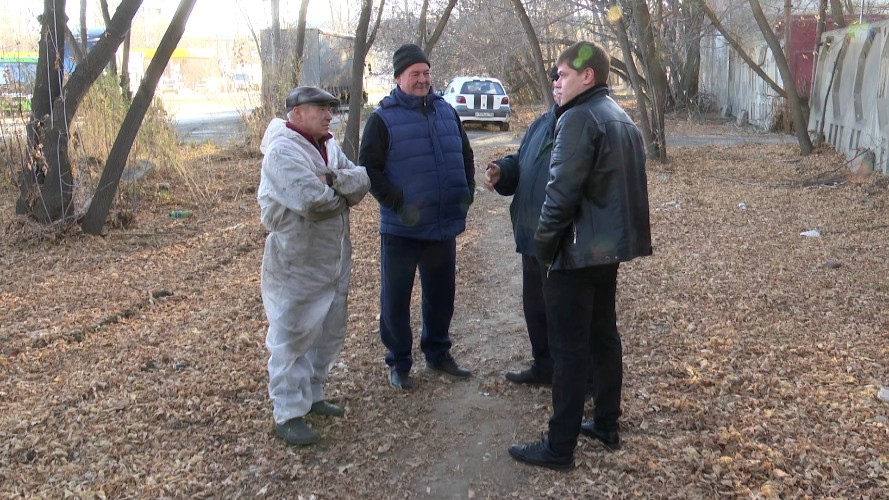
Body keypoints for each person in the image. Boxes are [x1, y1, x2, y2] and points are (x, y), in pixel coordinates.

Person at [508, 41, 652, 471]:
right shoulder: (620, 117)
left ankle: (559, 446)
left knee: (570, 350)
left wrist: (544, 247)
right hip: (604, 253)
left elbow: (561, 195)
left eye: (562, 74)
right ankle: (606, 424)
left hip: (573, 255)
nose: (556, 81)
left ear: (587, 77)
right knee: (603, 337)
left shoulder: (578, 118)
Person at [358, 43, 476, 390]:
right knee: (395, 300)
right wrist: (398, 203)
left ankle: (438, 354)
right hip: (402, 230)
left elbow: (465, 153)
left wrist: (466, 191)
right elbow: (370, 169)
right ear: (398, 78)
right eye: (415, 74)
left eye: (426, 73)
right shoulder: (381, 119)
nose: (423, 79)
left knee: (441, 296)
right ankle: (399, 362)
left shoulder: (446, 111)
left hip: (441, 227)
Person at [258, 86, 371, 446]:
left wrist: (334, 181)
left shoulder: (329, 146)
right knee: (292, 334)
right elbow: (312, 202)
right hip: (296, 262)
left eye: (330, 108)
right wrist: (341, 191)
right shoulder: (281, 152)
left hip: (334, 259)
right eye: (320, 108)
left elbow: (362, 180)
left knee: (327, 330)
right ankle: (288, 413)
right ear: (296, 114)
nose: (328, 115)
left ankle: (313, 395)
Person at [483, 67, 561, 386]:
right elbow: (523, 160)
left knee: (566, 314)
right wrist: (504, 170)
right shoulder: (542, 123)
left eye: (564, 76)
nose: (557, 82)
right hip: (531, 236)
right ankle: (543, 366)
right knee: (536, 307)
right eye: (554, 77)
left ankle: (581, 380)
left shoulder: (584, 125)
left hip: (562, 240)